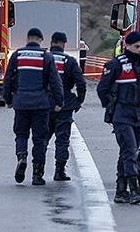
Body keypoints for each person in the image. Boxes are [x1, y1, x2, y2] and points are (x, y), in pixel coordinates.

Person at [2, 27, 64, 186]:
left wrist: (8, 99)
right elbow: (55, 82)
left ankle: (21, 157)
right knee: (39, 139)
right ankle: (37, 175)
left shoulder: (17, 55)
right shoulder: (46, 56)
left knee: (21, 134)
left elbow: (8, 79)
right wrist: (59, 102)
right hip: (41, 104)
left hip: (21, 103)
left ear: (27, 39)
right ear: (41, 40)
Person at [97, 31, 140, 204]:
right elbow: (102, 89)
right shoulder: (115, 65)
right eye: (137, 47)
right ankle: (134, 189)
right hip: (122, 113)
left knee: (129, 151)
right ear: (127, 46)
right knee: (129, 150)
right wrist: (111, 107)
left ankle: (121, 190)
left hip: (138, 114)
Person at [46, 31, 86, 181]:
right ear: (64, 44)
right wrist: (79, 100)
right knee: (62, 139)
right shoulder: (69, 61)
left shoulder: (44, 59)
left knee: (42, 138)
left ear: (51, 43)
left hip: (45, 104)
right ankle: (59, 171)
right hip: (65, 104)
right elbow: (81, 82)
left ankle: (38, 172)